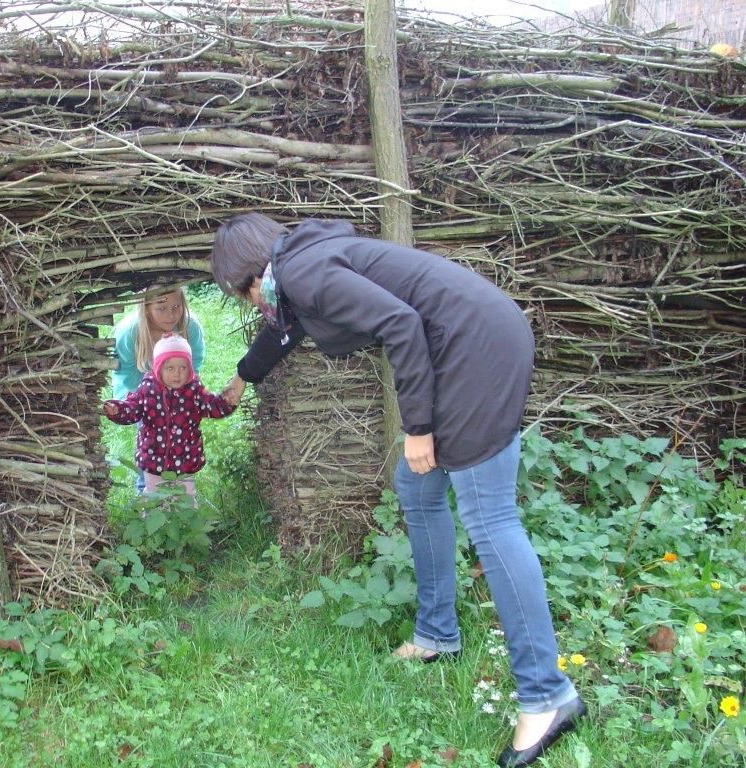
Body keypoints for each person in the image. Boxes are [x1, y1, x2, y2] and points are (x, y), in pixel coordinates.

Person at [211, 213, 584, 768]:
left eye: (240, 293)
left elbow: (402, 325)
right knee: (417, 485)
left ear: (249, 274)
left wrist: (418, 428)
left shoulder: (305, 272)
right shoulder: (302, 269)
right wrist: (243, 376)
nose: (250, 304)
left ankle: (547, 695)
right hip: (473, 341)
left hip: (474, 351)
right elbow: (285, 329)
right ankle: (437, 633)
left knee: (491, 520)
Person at [103, 334, 234, 497]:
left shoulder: (194, 391)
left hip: (185, 457)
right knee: (154, 496)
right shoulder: (148, 389)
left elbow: (212, 406)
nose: (177, 374)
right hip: (153, 456)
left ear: (190, 369)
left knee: (186, 496)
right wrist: (118, 410)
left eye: (183, 368)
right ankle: (152, 520)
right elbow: (133, 408)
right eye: (170, 368)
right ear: (158, 368)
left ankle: (185, 521)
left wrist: (227, 402)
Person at [110, 287, 205, 491]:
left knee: (181, 443)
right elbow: (125, 374)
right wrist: (140, 404)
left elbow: (194, 362)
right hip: (144, 398)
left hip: (179, 396)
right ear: (145, 308)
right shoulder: (129, 333)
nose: (171, 314)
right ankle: (147, 493)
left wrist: (187, 395)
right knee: (151, 447)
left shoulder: (190, 327)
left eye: (176, 306)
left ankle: (181, 494)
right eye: (161, 308)